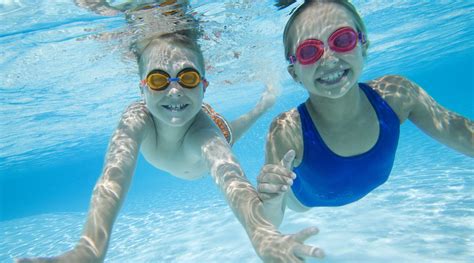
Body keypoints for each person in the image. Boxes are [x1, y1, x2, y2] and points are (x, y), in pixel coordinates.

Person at [16, 2, 325, 262]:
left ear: (204, 86)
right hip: (199, 130)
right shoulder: (136, 119)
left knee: (240, 125)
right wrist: (90, 248)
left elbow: (234, 182)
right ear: (142, 89)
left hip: (213, 130)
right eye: (158, 80)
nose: (174, 91)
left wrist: (261, 234)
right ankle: (263, 99)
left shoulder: (207, 137)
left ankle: (265, 100)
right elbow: (113, 176)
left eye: (188, 78)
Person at [257, 0, 474, 228]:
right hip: (304, 201)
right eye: (309, 51)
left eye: (342, 40)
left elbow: (459, 131)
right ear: (295, 73)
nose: (329, 59)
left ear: (363, 46)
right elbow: (270, 221)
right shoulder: (287, 130)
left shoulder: (397, 94)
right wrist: (271, 200)